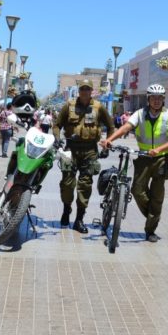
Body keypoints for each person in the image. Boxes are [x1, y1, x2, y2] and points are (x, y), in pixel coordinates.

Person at [101, 84, 168, 242]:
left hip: (162, 159)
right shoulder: (140, 114)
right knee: (137, 190)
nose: (156, 101)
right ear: (148, 99)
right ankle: (153, 214)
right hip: (143, 157)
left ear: (163, 99)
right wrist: (109, 139)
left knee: (157, 196)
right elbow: (125, 128)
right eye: (153, 98)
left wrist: (158, 149)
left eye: (159, 98)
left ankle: (150, 230)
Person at [53, 79, 115, 233]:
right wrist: (57, 138)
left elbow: (111, 126)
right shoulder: (69, 105)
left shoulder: (98, 107)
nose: (85, 92)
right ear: (79, 90)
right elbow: (57, 125)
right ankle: (66, 209)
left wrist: (107, 143)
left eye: (87, 89)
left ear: (91, 91)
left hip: (90, 151)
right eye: (82, 89)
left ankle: (79, 219)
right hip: (70, 150)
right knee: (67, 184)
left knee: (85, 185)